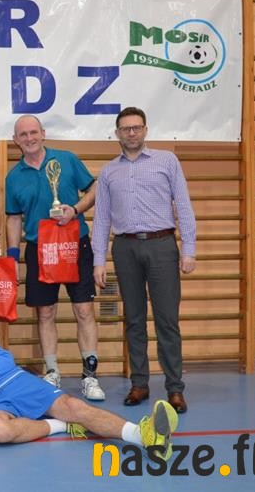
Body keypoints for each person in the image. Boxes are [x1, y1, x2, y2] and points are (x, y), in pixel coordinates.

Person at [0, 301, 179, 460]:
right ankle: (60, 425)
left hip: (15, 382)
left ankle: (143, 435)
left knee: (74, 406)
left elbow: (5, 359)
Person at [92, 107, 196, 414]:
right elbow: (101, 219)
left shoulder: (167, 161)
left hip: (162, 245)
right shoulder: (109, 172)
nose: (131, 133)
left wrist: (189, 250)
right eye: (125, 128)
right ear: (117, 134)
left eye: (136, 127)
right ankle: (139, 383)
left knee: (167, 320)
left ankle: (175, 388)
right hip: (125, 248)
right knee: (134, 319)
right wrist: (99, 260)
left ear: (145, 130)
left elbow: (184, 205)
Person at [4, 115, 105, 401]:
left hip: (75, 245)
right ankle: (52, 372)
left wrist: (75, 209)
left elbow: (95, 188)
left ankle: (90, 376)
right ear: (16, 140)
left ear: (43, 133)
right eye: (23, 134)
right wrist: (12, 257)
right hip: (39, 250)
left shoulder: (67, 159)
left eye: (33, 132)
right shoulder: (14, 176)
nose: (29, 138)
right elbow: (13, 218)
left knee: (84, 311)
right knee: (45, 313)